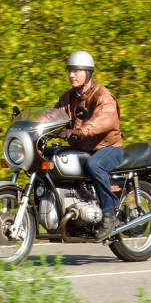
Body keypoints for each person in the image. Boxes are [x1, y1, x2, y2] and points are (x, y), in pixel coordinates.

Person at [54, 51, 124, 242]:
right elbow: (54, 116)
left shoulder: (103, 96)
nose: (71, 75)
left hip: (107, 148)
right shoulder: (68, 98)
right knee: (53, 160)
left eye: (76, 71)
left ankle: (109, 212)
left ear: (88, 73)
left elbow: (103, 120)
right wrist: (35, 127)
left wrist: (80, 131)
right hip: (83, 147)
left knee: (95, 165)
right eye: (69, 71)